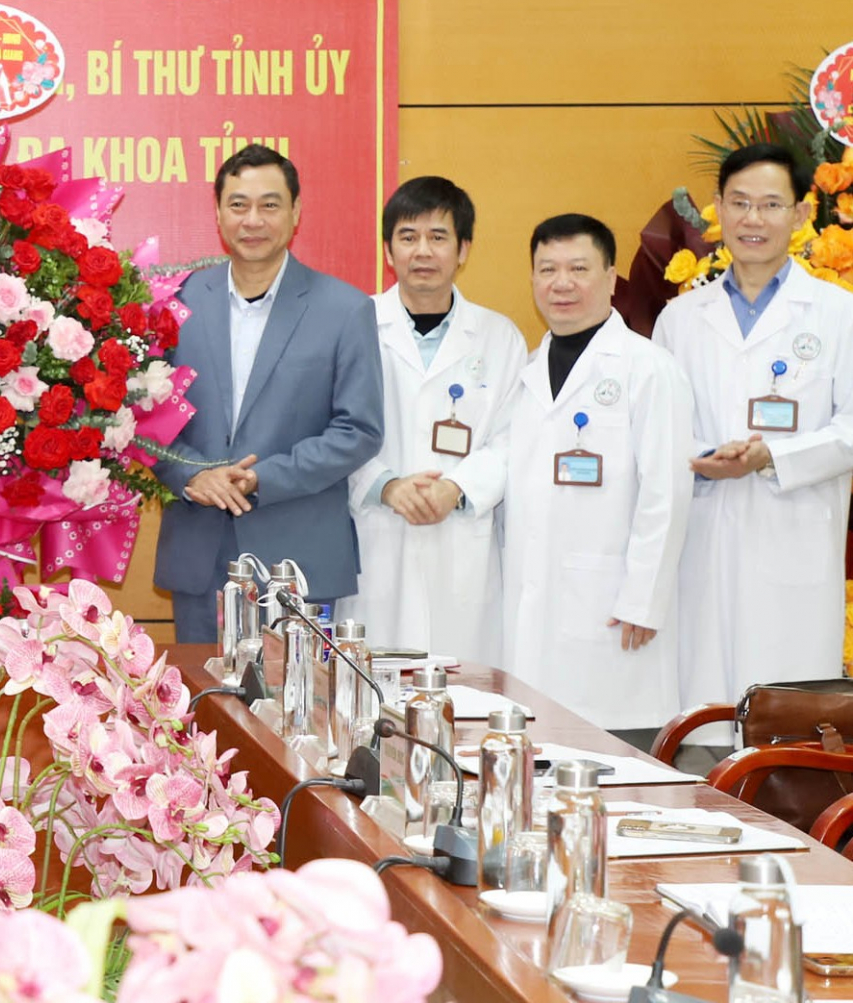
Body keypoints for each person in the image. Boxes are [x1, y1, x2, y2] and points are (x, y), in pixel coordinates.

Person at [654, 143, 853, 712]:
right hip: (705, 534)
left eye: (770, 204)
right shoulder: (680, 318)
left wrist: (774, 458)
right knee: (704, 722)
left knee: (788, 720)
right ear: (718, 210)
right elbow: (658, 428)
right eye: (739, 203)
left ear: (799, 214)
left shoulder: (838, 314)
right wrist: (703, 456)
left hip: (795, 532)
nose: (753, 219)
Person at [154, 144, 384, 635]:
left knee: (296, 709)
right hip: (200, 551)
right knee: (203, 706)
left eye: (270, 204)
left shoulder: (345, 309)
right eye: (238, 204)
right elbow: (143, 418)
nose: (252, 219)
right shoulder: (176, 302)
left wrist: (261, 478)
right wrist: (191, 476)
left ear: (296, 212)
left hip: (299, 559)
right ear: (218, 213)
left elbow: (358, 430)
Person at [501, 214, 693, 742]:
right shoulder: (530, 368)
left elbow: (668, 493)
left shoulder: (648, 368)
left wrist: (643, 597)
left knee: (615, 766)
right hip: (536, 612)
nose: (561, 283)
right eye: (547, 269)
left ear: (610, 278)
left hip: (615, 614)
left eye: (578, 268)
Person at [339, 178, 527, 662]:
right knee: (371, 698)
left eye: (438, 237)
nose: (423, 251)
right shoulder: (351, 325)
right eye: (408, 236)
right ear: (388, 248)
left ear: (463, 249)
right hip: (376, 536)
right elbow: (330, 428)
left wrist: (456, 488)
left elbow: (515, 438)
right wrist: (384, 484)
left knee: (464, 698)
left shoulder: (498, 336)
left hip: (461, 536)